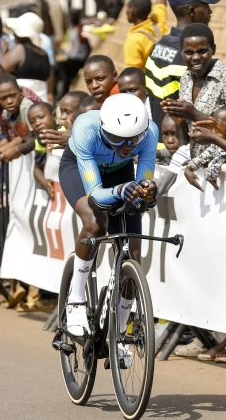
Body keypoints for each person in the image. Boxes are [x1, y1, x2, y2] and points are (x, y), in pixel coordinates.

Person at [61, 93, 159, 337]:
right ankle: (76, 299)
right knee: (96, 224)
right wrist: (119, 190)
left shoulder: (150, 132)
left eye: (133, 140)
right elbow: (95, 195)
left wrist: (147, 193)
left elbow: (143, 185)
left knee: (133, 253)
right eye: (118, 139)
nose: (127, 146)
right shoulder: (85, 128)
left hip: (119, 173)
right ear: (104, 128)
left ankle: (120, 330)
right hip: (80, 167)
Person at [160, 23, 226, 159]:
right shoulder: (186, 78)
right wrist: (179, 120)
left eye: (202, 51)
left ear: (213, 49)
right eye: (188, 53)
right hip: (196, 166)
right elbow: (185, 141)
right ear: (181, 52)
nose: (195, 58)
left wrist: (194, 114)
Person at [145, 0, 221, 100]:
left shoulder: (157, 47)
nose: (210, 11)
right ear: (191, 11)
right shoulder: (195, 53)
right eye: (206, 5)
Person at [0, 12, 52, 101]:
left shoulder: (20, 49)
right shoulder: (44, 54)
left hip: (24, 103)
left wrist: (3, 53)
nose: (14, 35)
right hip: (41, 104)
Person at [117, 67, 165, 145]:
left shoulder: (158, 108)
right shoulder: (120, 114)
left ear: (146, 90)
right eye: (123, 92)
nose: (128, 96)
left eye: (132, 90)